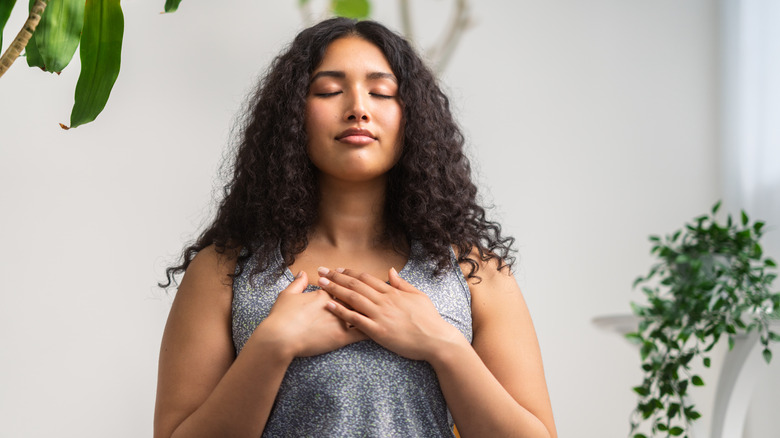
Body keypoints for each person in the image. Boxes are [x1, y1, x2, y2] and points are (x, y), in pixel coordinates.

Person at [154, 17, 557, 438]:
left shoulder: (475, 272)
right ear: (292, 115)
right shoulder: (223, 270)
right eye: (329, 90)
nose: (358, 108)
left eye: (381, 92)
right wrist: (271, 347)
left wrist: (442, 343)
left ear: (412, 116)